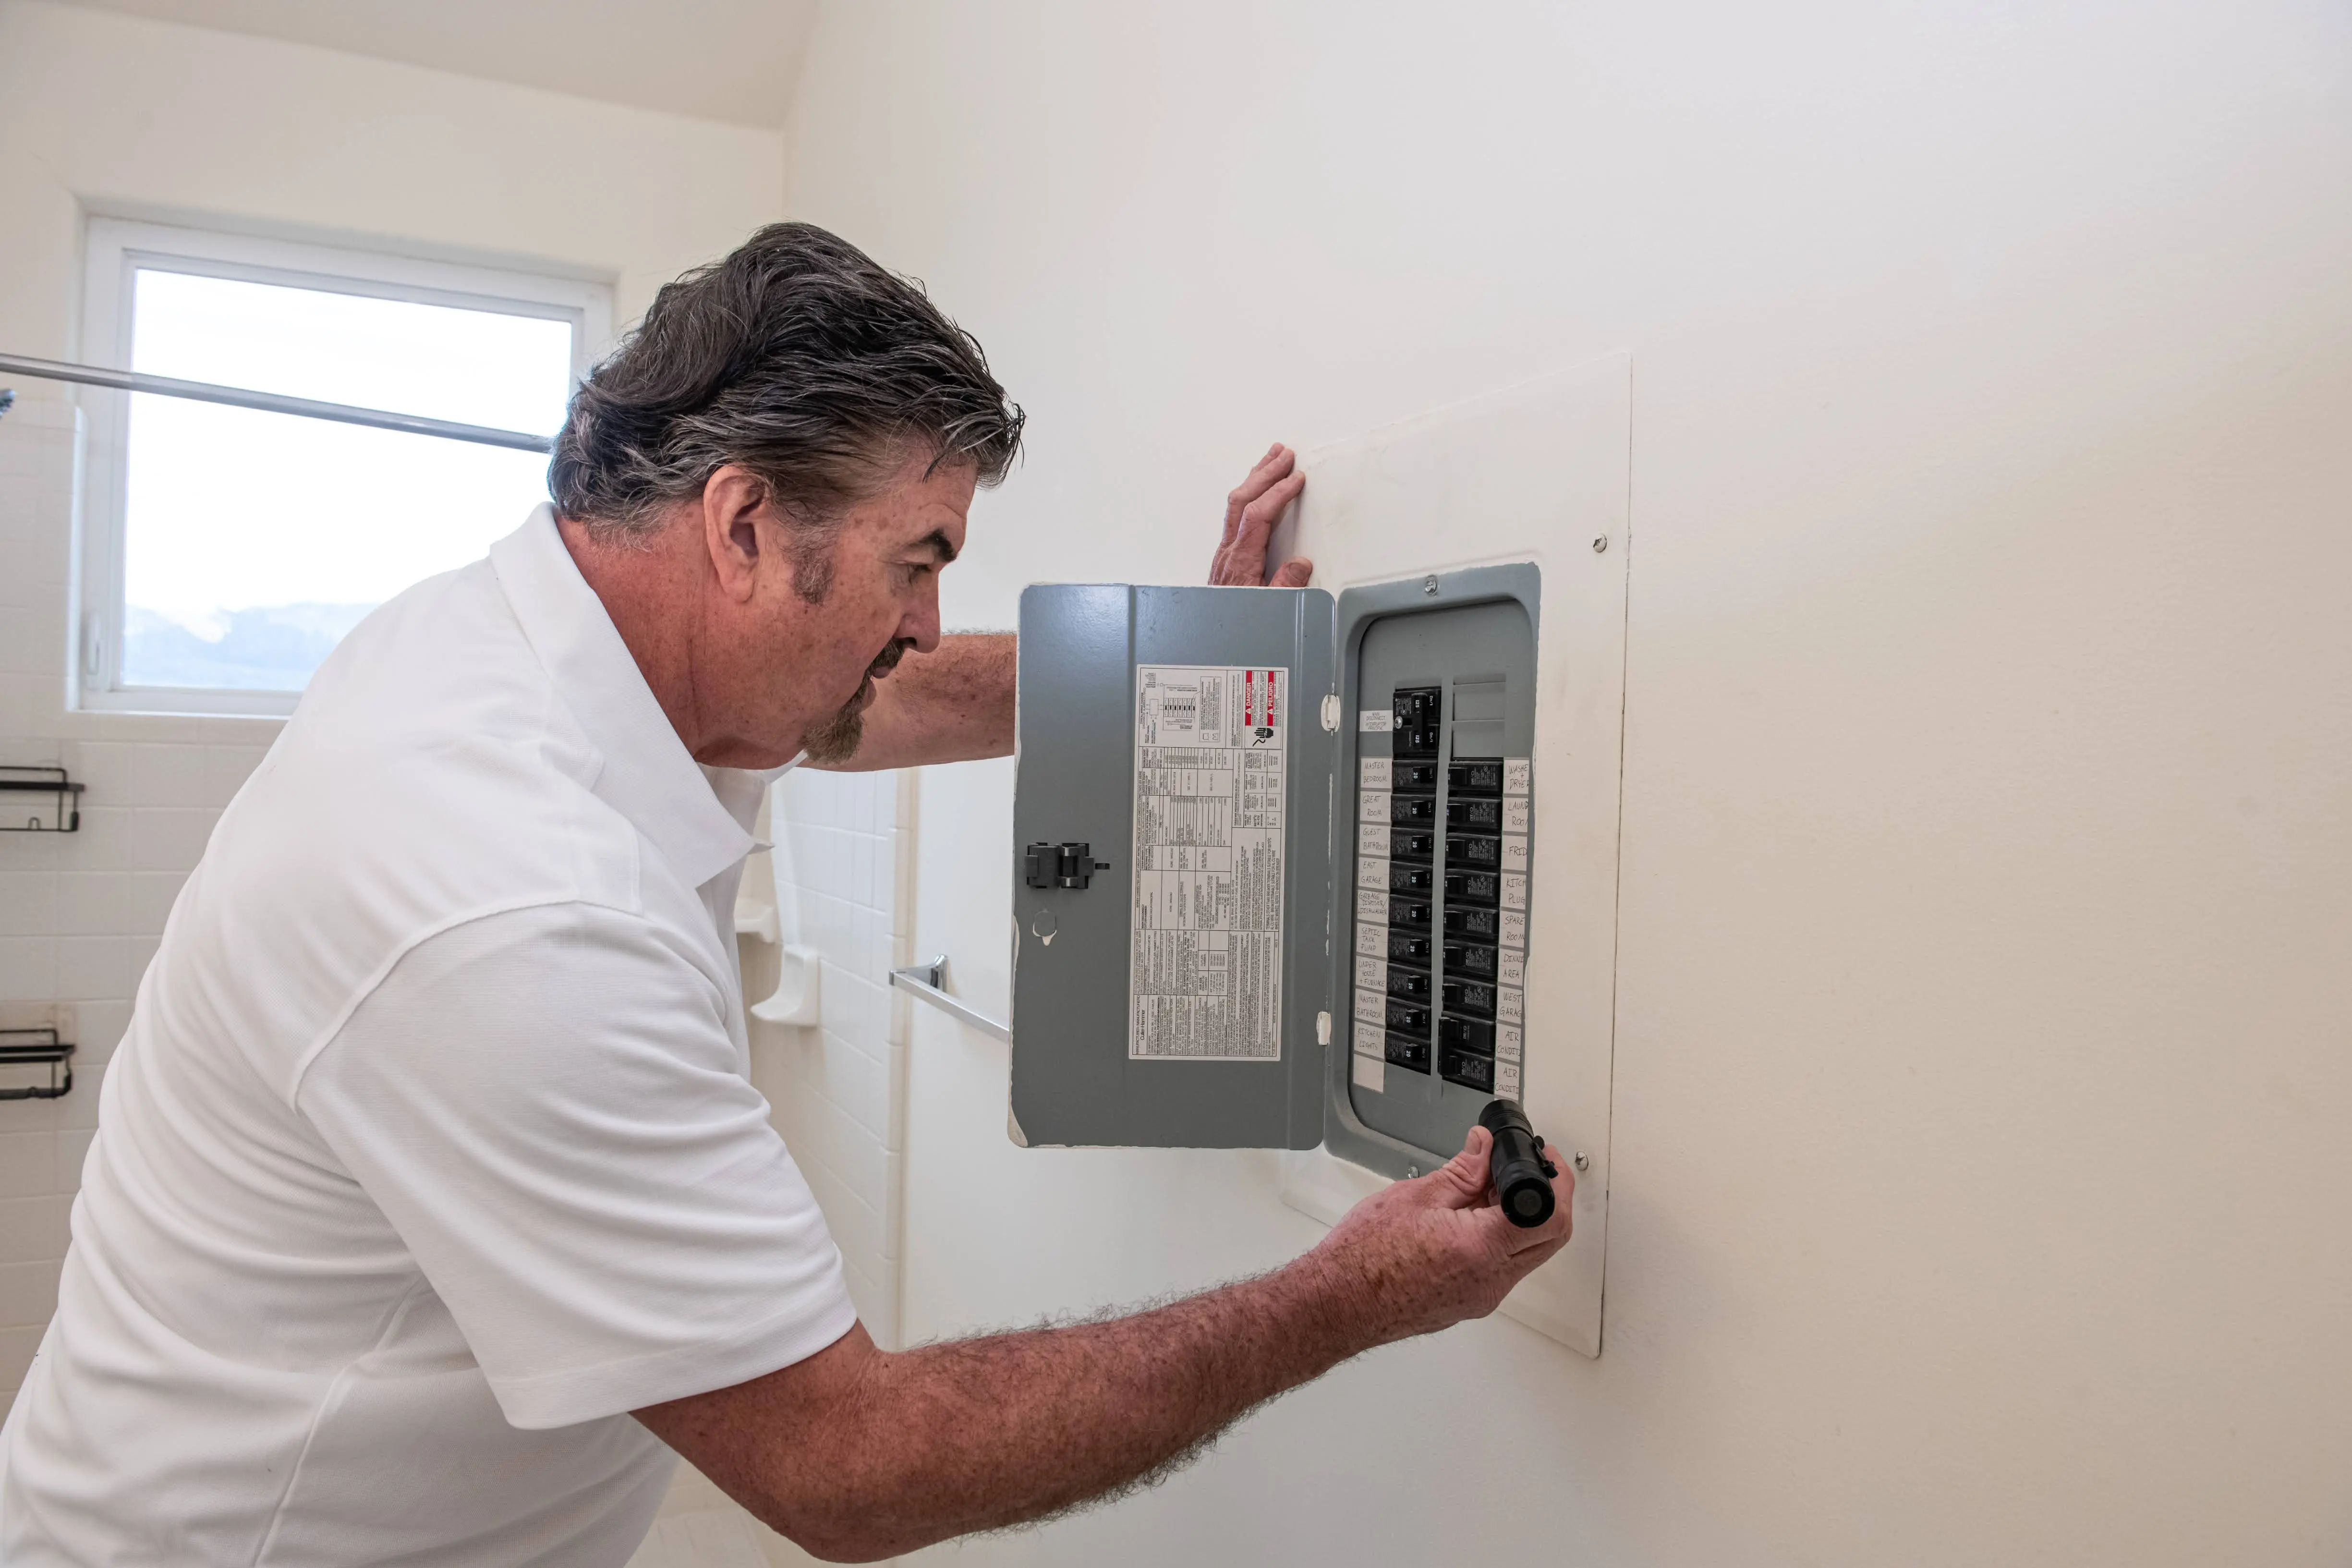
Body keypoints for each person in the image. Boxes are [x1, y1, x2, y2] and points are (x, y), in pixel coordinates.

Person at [0, 222, 1569, 1565]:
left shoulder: (546, 644)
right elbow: (848, 1466)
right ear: (746, 526)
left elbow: (878, 698)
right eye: (919, 558)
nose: (929, 615)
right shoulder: (511, 913)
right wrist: (1349, 1294)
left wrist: (1184, 676)